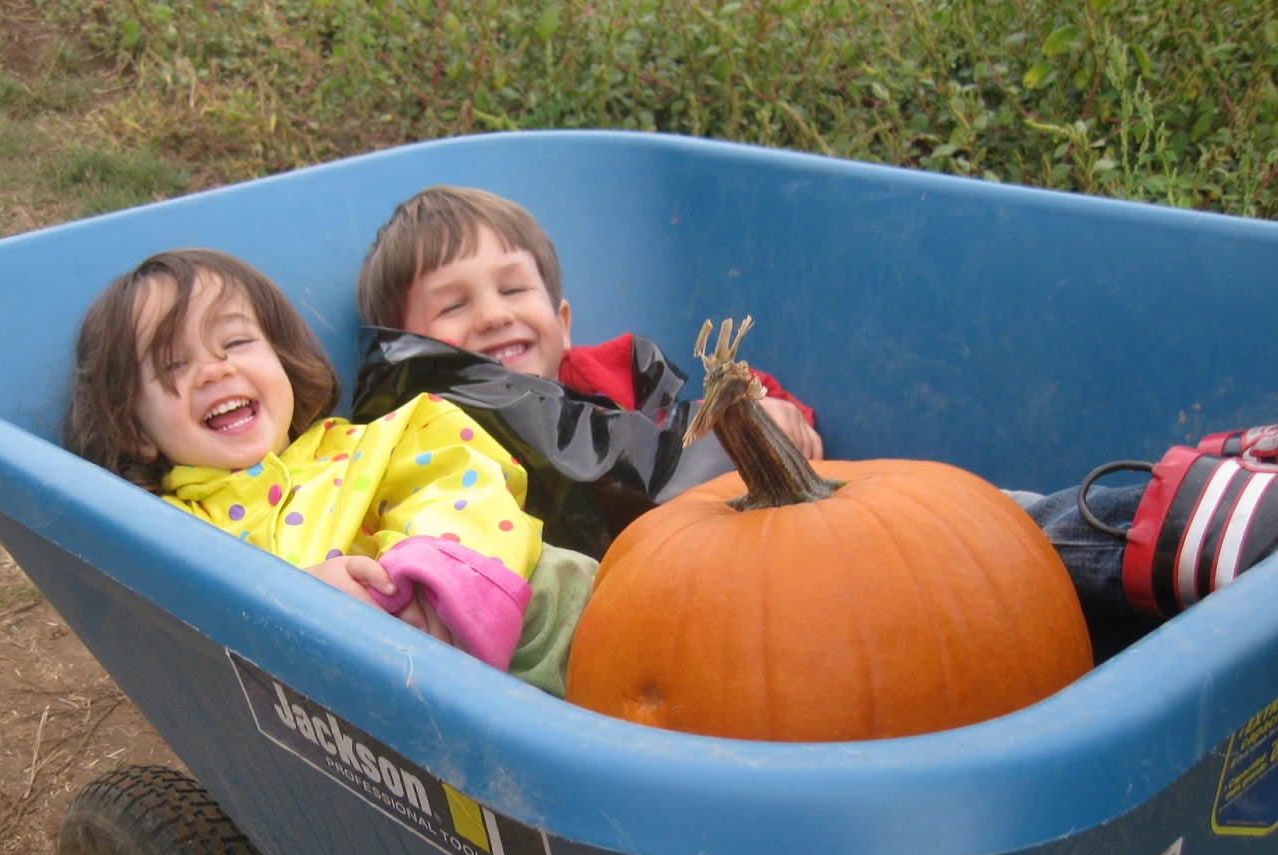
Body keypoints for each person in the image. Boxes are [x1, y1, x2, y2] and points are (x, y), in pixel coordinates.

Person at [351, 185, 1277, 636]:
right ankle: (1168, 523)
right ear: (414, 346)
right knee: (956, 564)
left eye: (513, 288)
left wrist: (771, 414)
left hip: (786, 541)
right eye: (454, 306)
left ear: (562, 319)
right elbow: (636, 477)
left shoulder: (611, 373)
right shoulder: (449, 422)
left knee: (966, 524)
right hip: (713, 608)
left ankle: (1181, 509)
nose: (493, 315)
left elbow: (714, 408)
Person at [62, 247, 596, 696]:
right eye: (174, 364)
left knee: (580, 588)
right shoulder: (172, 528)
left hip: (530, 629)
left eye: (237, 342)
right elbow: (197, 629)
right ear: (136, 429)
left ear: (282, 362)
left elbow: (458, 475)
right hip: (377, 700)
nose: (215, 370)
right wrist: (299, 603)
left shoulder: (370, 442)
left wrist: (426, 575)